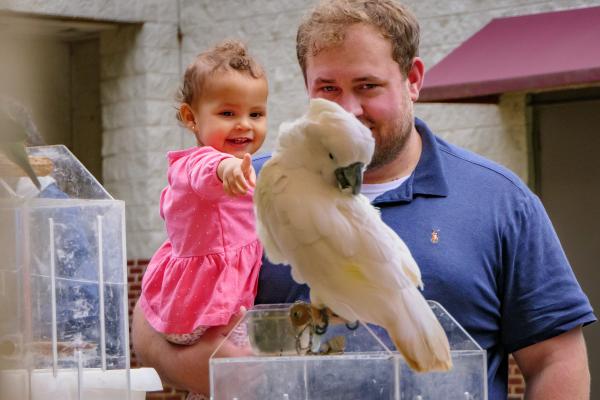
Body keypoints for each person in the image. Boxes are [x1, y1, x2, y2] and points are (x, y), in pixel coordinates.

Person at [132, 1, 596, 399]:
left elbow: (556, 360)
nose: (348, 108)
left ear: (412, 79)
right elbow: (153, 317)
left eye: (368, 86)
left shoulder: (500, 200)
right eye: (328, 89)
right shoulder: (241, 185)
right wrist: (223, 373)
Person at [136, 40, 267, 399]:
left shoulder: (250, 168)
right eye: (227, 113)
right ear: (191, 117)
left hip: (221, 301)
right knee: (238, 371)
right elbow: (207, 170)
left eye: (256, 114)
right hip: (201, 301)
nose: (244, 125)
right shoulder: (195, 163)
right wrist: (227, 169)